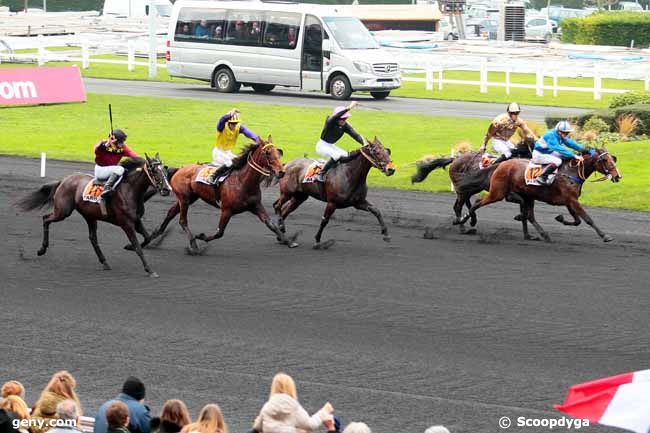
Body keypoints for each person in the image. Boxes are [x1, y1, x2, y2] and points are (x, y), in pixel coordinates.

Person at [252, 372, 333, 433]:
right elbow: (311, 425)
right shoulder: (294, 407)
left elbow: (257, 427)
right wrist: (324, 411)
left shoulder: (267, 406)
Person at [314, 101, 366, 182]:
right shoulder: (330, 122)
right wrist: (349, 107)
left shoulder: (345, 126)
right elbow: (336, 116)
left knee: (347, 156)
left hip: (331, 146)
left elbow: (356, 136)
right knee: (337, 156)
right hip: (322, 146)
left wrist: (364, 143)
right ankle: (321, 173)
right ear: (337, 118)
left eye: (345, 118)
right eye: (342, 119)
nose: (344, 121)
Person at [207, 108, 259, 184]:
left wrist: (258, 140)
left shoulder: (238, 127)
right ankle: (212, 177)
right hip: (218, 152)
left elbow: (249, 133)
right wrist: (230, 114)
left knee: (240, 163)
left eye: (236, 123)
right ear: (228, 122)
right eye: (232, 123)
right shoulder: (221, 127)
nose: (234, 125)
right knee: (230, 163)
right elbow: (222, 119)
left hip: (228, 152)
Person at [94, 129, 140, 200]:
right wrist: (107, 144)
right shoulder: (102, 145)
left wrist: (146, 162)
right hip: (100, 171)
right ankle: (107, 188)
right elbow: (97, 151)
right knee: (120, 169)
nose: (122, 144)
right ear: (114, 141)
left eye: (122, 142)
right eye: (120, 142)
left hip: (111, 170)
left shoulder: (122, 148)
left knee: (126, 168)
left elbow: (134, 155)